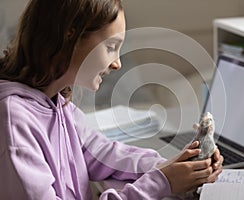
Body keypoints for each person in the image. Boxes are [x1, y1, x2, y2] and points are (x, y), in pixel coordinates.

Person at [0, 0, 223, 199]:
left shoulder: (58, 105)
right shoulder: (14, 123)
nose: (117, 63)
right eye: (111, 47)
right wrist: (160, 182)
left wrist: (174, 167)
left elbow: (103, 154)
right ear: (71, 36)